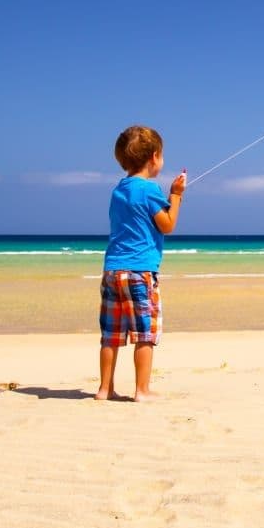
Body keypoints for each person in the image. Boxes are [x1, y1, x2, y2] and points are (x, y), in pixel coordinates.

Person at [98, 125, 185, 401]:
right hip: (140, 272)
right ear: (154, 157)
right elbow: (167, 224)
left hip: (112, 271)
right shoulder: (150, 190)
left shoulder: (118, 190)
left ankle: (104, 389)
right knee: (144, 334)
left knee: (111, 334)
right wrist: (176, 195)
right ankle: (142, 390)